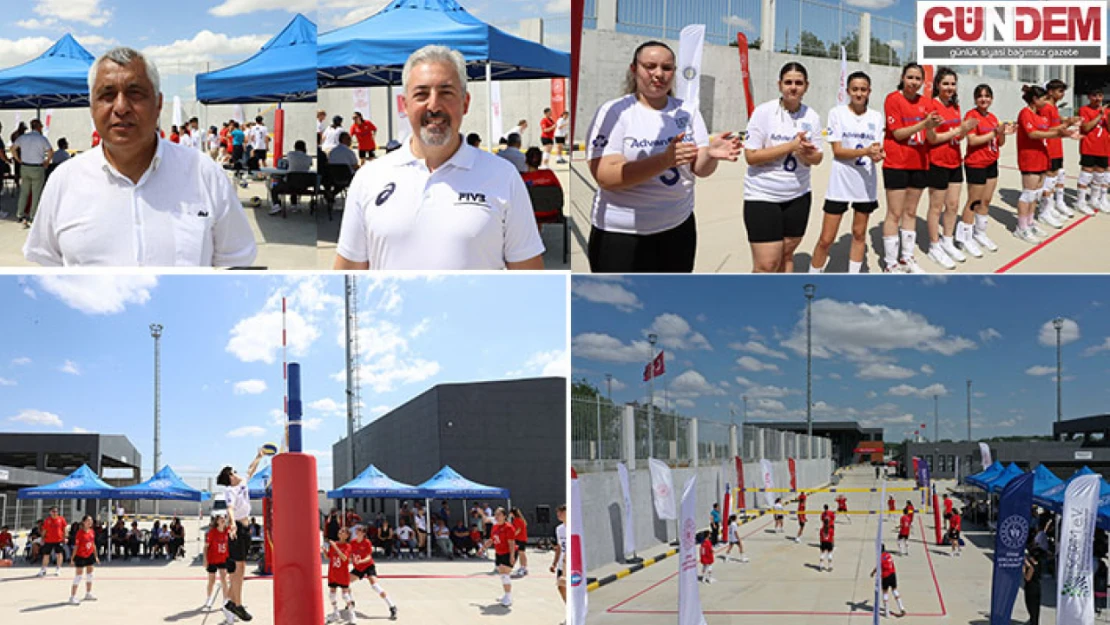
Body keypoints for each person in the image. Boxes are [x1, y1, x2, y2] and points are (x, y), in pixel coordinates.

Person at [23, 47, 257, 267]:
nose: (121, 107)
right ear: (91, 107)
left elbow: (235, 262)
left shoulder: (204, 174)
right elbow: (48, 266)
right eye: (107, 95)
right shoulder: (64, 181)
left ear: (158, 104)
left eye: (135, 94)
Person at [333, 45, 546, 270]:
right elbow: (347, 272)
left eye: (446, 92)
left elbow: (530, 276)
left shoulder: (504, 177)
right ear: (405, 105)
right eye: (421, 94)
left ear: (465, 103)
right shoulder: (369, 178)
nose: (434, 106)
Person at [585, 40, 741, 273]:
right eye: (650, 66)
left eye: (667, 68)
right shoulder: (615, 112)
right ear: (634, 69)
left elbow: (700, 169)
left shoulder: (688, 111)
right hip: (620, 234)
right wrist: (664, 160)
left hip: (677, 228)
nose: (658, 74)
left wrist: (710, 154)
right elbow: (605, 176)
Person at [744, 61, 823, 273]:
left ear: (807, 86)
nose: (793, 87)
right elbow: (751, 156)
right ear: (780, 85)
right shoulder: (763, 112)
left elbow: (818, 158)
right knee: (766, 264)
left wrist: (807, 153)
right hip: (763, 195)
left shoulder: (812, 116)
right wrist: (791, 146)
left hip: (798, 196)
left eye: (799, 82)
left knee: (787, 255)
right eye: (788, 82)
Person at [882, 63, 942, 273]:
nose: (914, 82)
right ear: (903, 77)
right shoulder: (893, 99)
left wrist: (933, 128)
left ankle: (907, 257)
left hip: (919, 163)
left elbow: (931, 138)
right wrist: (923, 124)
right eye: (910, 77)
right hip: (897, 163)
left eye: (918, 79)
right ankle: (891, 262)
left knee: (911, 212)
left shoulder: (927, 103)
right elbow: (898, 133)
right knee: (894, 213)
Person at [923, 67, 978, 270]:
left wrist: (964, 132)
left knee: (953, 205)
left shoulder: (955, 106)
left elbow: (957, 136)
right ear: (937, 84)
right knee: (936, 207)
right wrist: (958, 130)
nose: (949, 87)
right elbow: (933, 138)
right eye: (945, 83)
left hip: (955, 160)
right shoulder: (931, 106)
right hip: (937, 161)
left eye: (953, 84)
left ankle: (947, 240)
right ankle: (934, 245)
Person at [957, 84, 1013, 257]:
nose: (984, 99)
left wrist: (1002, 133)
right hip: (976, 163)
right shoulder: (971, 116)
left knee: (986, 201)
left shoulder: (993, 117)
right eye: (980, 96)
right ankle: (964, 238)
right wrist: (994, 133)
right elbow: (972, 140)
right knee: (974, 201)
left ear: (992, 99)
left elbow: (1000, 142)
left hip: (991, 162)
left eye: (987, 96)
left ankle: (980, 233)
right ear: (975, 99)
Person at [1015, 84, 1075, 244]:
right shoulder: (1025, 113)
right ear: (1035, 99)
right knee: (1028, 194)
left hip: (1042, 156)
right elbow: (1032, 134)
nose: (1045, 101)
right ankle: (1021, 228)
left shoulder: (1039, 116)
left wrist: (1067, 129)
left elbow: (1051, 130)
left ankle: (1030, 222)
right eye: (1043, 98)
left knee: (1036, 193)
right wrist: (1057, 132)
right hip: (1029, 158)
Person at [215, 447, 267, 623]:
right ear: (230, 476)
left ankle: (230, 602)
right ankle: (237, 604)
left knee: (241, 568)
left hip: (245, 530)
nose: (237, 473)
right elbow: (229, 508)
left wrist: (258, 457)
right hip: (237, 527)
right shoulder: (230, 491)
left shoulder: (243, 482)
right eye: (234, 472)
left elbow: (251, 469)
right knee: (239, 569)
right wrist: (232, 524)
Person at [1039, 79, 1079, 222]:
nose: (1062, 94)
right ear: (1050, 91)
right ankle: (1045, 210)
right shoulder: (1045, 108)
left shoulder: (1053, 107)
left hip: (1057, 146)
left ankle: (1056, 203)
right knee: (1049, 179)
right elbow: (1044, 129)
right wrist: (1066, 124)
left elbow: (1057, 125)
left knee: (1058, 175)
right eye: (1060, 91)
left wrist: (1068, 123)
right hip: (1049, 147)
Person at [350, 525, 398, 620]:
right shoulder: (352, 542)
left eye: (359, 530)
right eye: (356, 530)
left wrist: (361, 561)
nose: (356, 532)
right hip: (358, 568)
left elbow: (368, 557)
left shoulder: (367, 542)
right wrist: (351, 559)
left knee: (375, 586)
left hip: (368, 566)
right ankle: (351, 602)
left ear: (363, 533)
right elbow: (350, 554)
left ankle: (392, 606)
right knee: (345, 582)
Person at [12, 118, 53, 228]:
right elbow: (50, 151)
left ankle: (20, 214)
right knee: (36, 193)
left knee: (24, 191)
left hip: (25, 166)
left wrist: (18, 159)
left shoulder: (23, 138)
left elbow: (13, 148)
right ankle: (33, 215)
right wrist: (47, 161)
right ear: (39, 127)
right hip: (37, 167)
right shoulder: (42, 139)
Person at [1075, 87, 1110, 215]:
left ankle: (1095, 199)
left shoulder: (1107, 111)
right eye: (1094, 96)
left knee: (1100, 175)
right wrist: (1100, 115)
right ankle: (1080, 201)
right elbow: (1086, 127)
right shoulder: (1084, 110)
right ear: (1089, 97)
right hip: (1089, 146)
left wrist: (1107, 116)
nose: (1097, 99)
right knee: (1086, 174)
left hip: (1104, 147)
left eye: (1100, 96)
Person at [268, 139, 314, 215]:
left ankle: (276, 205)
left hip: (290, 184)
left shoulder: (290, 154)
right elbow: (310, 164)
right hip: (303, 185)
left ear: (295, 147)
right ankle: (294, 205)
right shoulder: (309, 158)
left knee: (275, 188)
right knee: (297, 181)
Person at [324, 526, 355, 624]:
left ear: (347, 535)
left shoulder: (348, 546)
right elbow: (329, 557)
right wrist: (324, 551)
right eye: (339, 531)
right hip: (333, 572)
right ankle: (335, 612)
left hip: (343, 573)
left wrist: (335, 547)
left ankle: (351, 614)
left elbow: (344, 558)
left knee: (345, 595)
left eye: (342, 532)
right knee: (331, 594)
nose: (340, 533)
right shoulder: (334, 544)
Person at [487, 507, 517, 607]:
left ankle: (508, 597)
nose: (497, 516)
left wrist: (512, 556)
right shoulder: (495, 527)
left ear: (504, 516)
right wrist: (483, 548)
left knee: (505, 574)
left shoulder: (509, 527)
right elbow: (491, 539)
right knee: (502, 574)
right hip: (499, 552)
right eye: (496, 514)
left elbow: (511, 543)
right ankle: (506, 594)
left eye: (499, 514)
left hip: (507, 552)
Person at [203, 514, 232, 611]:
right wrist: (205, 560)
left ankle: (225, 601)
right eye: (221, 519)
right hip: (212, 559)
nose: (223, 520)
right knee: (212, 581)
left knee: (224, 579)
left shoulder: (227, 531)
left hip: (223, 559)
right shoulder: (212, 533)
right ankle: (209, 599)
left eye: (224, 519)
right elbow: (206, 547)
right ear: (217, 522)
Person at [68, 515, 99, 605]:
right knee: (78, 576)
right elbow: (76, 547)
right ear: (84, 522)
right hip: (80, 555)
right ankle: (72, 597)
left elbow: (93, 544)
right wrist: (72, 558)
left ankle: (88, 593)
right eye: (88, 521)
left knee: (90, 575)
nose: (90, 522)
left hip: (89, 555)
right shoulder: (79, 533)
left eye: (91, 521)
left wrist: (96, 556)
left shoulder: (92, 532)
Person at [871, 545, 906, 617]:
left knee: (885, 593)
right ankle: (901, 608)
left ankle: (887, 613)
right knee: (895, 591)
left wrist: (873, 572)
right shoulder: (888, 555)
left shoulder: (880, 558)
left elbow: (878, 567)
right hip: (892, 574)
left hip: (886, 576)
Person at [38, 506, 66, 576]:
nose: (54, 513)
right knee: (46, 555)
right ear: (50, 512)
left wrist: (65, 537)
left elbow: (65, 529)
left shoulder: (61, 519)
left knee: (59, 554)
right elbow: (44, 531)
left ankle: (58, 569)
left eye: (56, 511)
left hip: (59, 540)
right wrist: (42, 539)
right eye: (53, 511)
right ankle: (43, 569)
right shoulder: (47, 520)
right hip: (48, 540)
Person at [1024, 545, 1044, 625]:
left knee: (1031, 607)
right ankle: (1034, 621)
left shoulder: (1032, 567)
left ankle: (1033, 622)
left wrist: (1026, 568)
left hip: (1031, 590)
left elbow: (1027, 578)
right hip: (1037, 588)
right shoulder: (1038, 563)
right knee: (1036, 608)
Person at [552, 505, 567, 602]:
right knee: (561, 587)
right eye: (558, 512)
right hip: (562, 563)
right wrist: (554, 563)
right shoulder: (559, 529)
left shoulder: (575, 527)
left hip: (571, 564)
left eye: (562, 512)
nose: (559, 514)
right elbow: (559, 547)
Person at [511, 507, 529, 577]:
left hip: (520, 539)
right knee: (522, 553)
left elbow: (518, 529)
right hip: (522, 538)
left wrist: (512, 536)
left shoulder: (516, 520)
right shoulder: (521, 519)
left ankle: (523, 567)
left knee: (521, 553)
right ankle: (524, 567)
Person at [818, 505, 835, 572]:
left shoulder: (821, 530)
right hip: (829, 542)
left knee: (822, 554)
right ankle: (830, 566)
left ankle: (821, 566)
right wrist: (832, 543)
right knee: (829, 554)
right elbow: (832, 537)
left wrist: (820, 543)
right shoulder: (831, 530)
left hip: (823, 542)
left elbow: (820, 537)